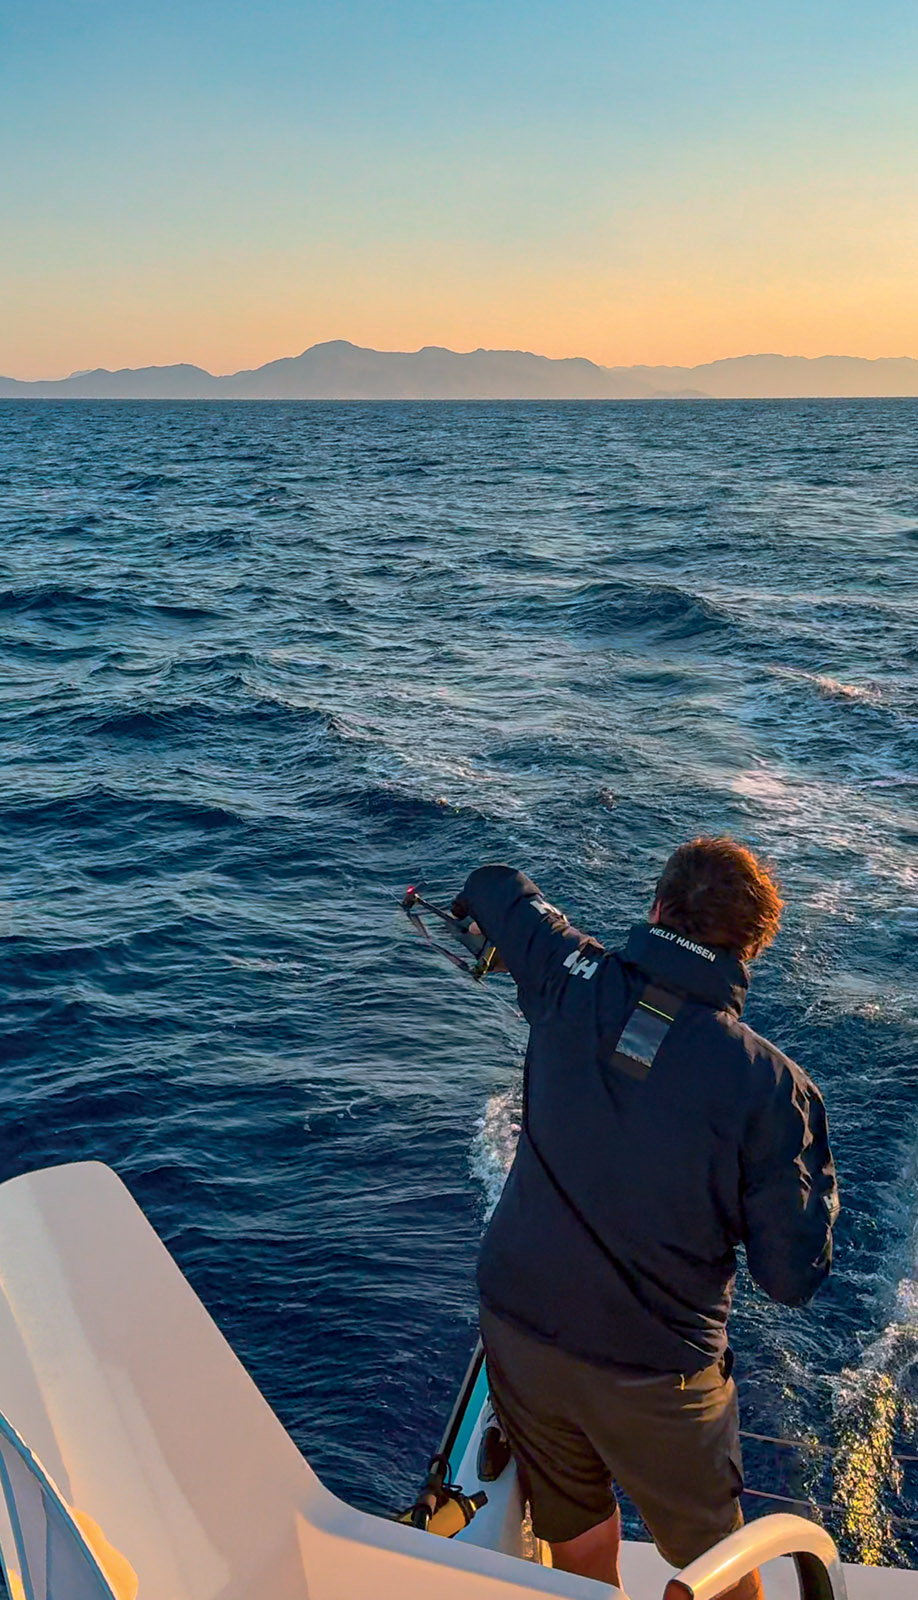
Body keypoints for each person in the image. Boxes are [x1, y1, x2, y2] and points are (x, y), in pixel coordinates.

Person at [451, 837, 838, 1595]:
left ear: (657, 907)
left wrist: (539, 944)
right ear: (751, 946)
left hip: (521, 1326)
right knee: (713, 1566)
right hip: (654, 1373)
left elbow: (493, 883)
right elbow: (790, 1277)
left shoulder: (569, 974)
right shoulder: (774, 1089)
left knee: (581, 1548)